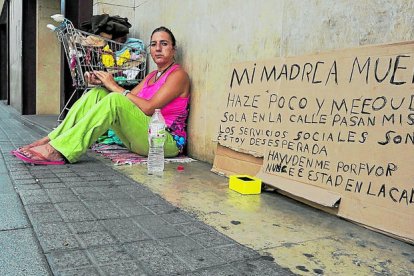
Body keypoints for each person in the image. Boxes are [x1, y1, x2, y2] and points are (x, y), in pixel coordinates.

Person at [13, 26, 190, 165]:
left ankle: (60, 150)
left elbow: (149, 108)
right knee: (98, 93)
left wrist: (114, 86)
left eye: (164, 44)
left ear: (173, 49)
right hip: (141, 138)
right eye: (153, 44)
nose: (158, 48)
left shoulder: (178, 75)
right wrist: (104, 84)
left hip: (165, 142)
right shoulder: (152, 76)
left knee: (114, 99)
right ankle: (51, 140)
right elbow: (130, 100)